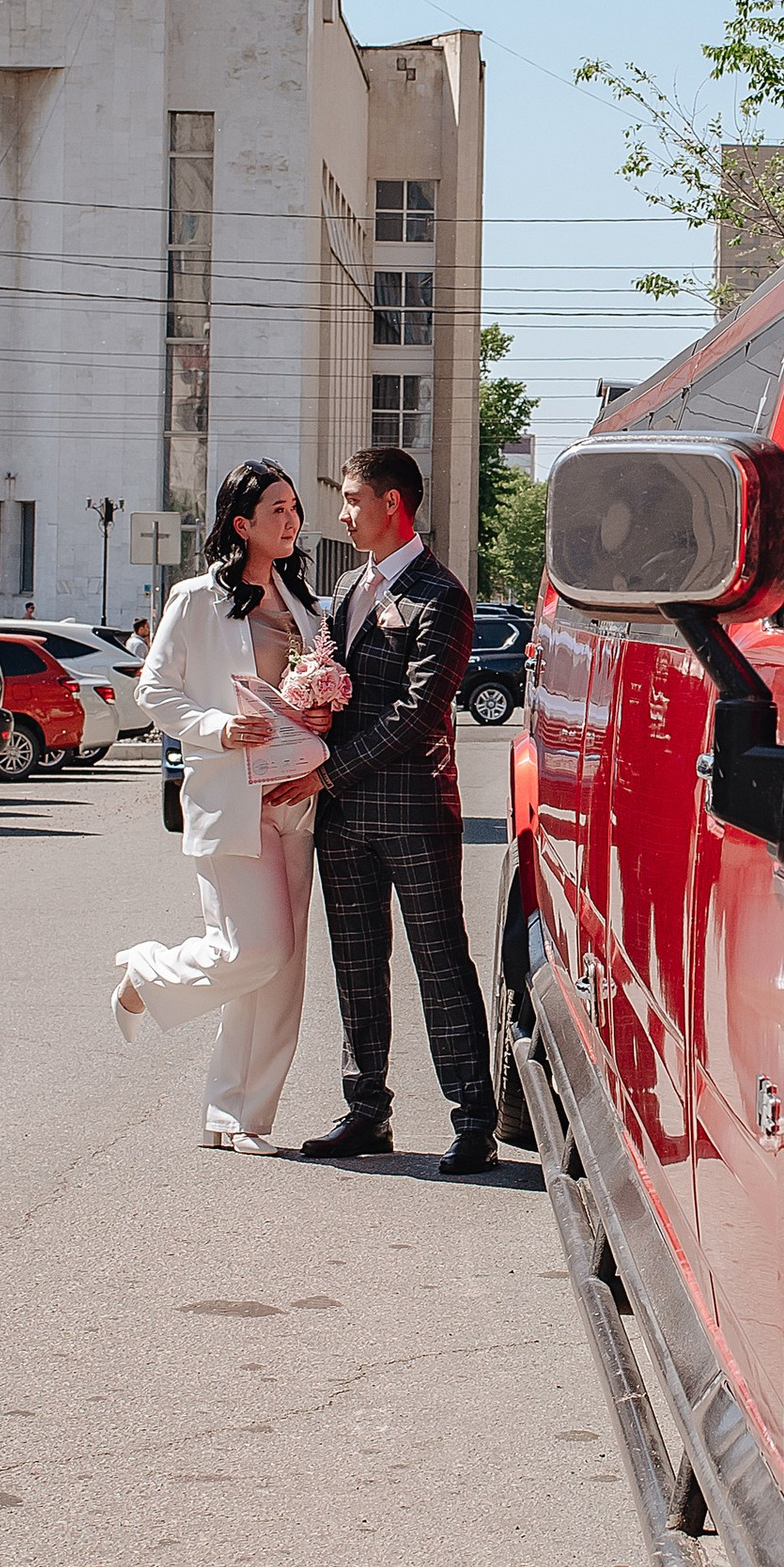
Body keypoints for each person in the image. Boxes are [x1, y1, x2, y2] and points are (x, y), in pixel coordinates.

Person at [112, 459, 330, 1154]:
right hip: (228, 797)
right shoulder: (195, 600)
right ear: (242, 524)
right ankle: (147, 974)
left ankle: (239, 1117)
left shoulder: (305, 604)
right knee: (254, 949)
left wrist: (321, 714)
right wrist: (217, 727)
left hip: (293, 800)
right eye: (277, 510)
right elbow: (154, 690)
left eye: (295, 507)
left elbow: (309, 693)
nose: (291, 520)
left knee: (281, 968)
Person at [298, 444, 497, 1174]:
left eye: (353, 499)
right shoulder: (348, 586)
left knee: (440, 963)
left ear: (392, 504)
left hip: (412, 812)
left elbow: (420, 713)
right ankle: (366, 1109)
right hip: (344, 819)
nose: (343, 513)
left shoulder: (441, 595)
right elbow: (330, 682)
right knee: (356, 964)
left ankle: (474, 1117)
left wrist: (328, 772)